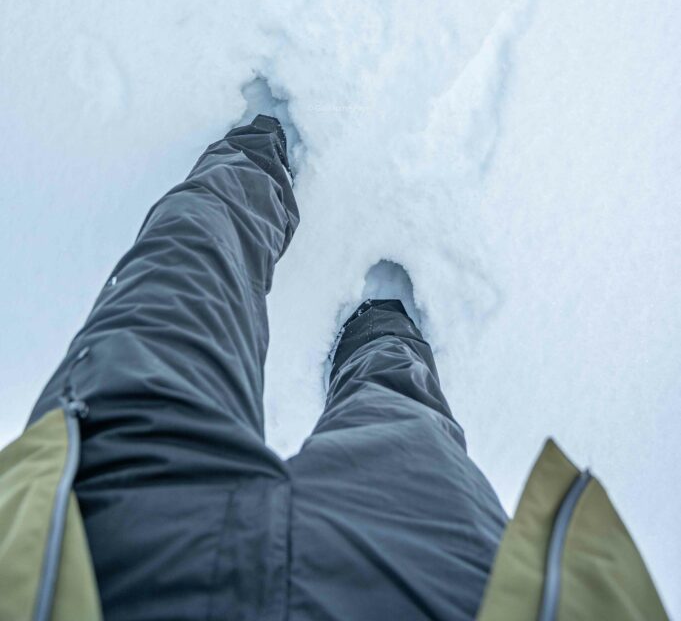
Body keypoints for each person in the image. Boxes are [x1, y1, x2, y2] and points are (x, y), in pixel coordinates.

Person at [1, 115, 670, 621]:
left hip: (101, 553)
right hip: (436, 593)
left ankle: (257, 154)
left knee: (182, 279)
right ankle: (381, 329)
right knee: (401, 421)